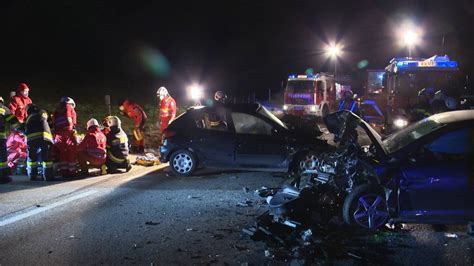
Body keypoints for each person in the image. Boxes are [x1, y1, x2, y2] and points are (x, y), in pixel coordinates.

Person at [24, 104, 54, 181]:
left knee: (32, 158)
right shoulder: (43, 113)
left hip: (32, 139)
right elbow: (50, 123)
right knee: (46, 157)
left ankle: (32, 176)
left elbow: (24, 128)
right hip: (45, 137)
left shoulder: (28, 118)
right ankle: (48, 176)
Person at [7, 82, 32, 173]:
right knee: (18, 146)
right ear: (20, 91)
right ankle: (12, 166)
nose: (27, 93)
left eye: (27, 91)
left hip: (26, 126)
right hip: (17, 127)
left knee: (24, 146)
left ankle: (21, 166)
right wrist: (16, 124)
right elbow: (10, 113)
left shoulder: (29, 100)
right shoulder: (15, 100)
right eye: (25, 91)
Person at [52, 97, 78, 177]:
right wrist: (72, 129)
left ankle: (64, 171)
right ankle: (72, 171)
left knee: (62, 152)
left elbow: (53, 122)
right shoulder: (69, 108)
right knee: (71, 150)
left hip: (58, 133)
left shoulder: (56, 111)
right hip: (68, 132)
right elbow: (72, 121)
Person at [0, 97, 20, 184]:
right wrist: (22, 129)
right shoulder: (3, 108)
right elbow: (13, 121)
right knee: (2, 158)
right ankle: (3, 177)